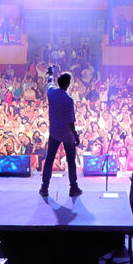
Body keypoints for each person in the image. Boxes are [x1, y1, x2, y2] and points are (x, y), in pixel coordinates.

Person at [40, 65, 82, 197]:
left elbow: (49, 82)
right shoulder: (68, 99)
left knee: (49, 159)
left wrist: (51, 74)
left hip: (54, 133)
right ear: (68, 84)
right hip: (67, 135)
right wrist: (75, 135)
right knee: (71, 160)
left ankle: (44, 187)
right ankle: (73, 187)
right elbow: (70, 122)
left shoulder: (51, 92)